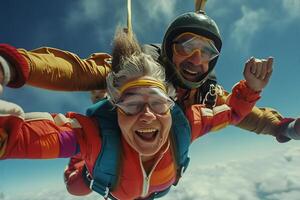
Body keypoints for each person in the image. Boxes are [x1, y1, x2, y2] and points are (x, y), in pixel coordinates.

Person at [0, 28, 271, 199]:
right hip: (104, 173)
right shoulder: (94, 135)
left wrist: (252, 88)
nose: (147, 115)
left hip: (151, 189)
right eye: (131, 104)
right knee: (76, 188)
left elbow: (234, 112)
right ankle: (83, 161)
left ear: (170, 103)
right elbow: (22, 139)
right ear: (115, 108)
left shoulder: (186, 123)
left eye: (156, 102)